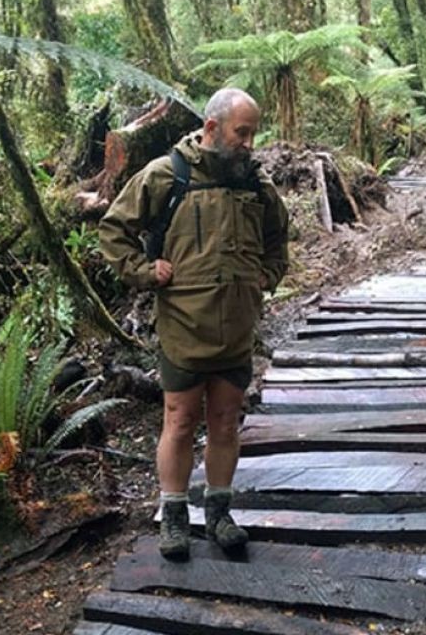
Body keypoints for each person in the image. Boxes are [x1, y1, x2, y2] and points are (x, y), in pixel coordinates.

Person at [99, 88, 290, 560]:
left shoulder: (255, 184)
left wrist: (267, 275)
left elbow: (278, 239)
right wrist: (145, 272)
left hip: (237, 326)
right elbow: (114, 229)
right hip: (184, 324)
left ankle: (219, 514)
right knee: (180, 420)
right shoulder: (167, 175)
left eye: (253, 133)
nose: (249, 142)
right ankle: (175, 516)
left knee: (225, 421)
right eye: (241, 132)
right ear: (211, 127)